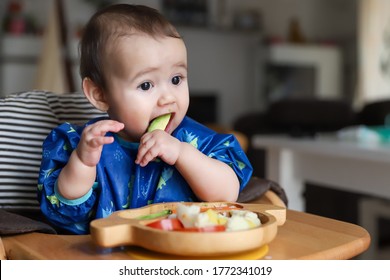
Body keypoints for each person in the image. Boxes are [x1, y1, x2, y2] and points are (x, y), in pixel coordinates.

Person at [37, 4, 253, 234]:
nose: (168, 97)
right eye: (146, 85)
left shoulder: (197, 141)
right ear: (99, 94)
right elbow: (66, 211)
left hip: (183, 252)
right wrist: (83, 163)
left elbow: (227, 194)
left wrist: (181, 153)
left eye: (177, 79)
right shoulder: (90, 144)